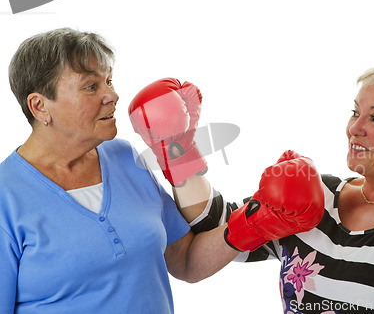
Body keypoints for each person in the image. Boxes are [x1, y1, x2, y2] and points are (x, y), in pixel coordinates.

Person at [0, 28, 325, 314]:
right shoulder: (7, 197)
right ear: (40, 106)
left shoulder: (124, 158)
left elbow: (186, 260)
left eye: (109, 81)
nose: (112, 96)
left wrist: (257, 222)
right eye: (90, 86)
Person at [143, 64, 374, 313]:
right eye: (354, 112)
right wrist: (179, 150)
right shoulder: (320, 196)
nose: (354, 128)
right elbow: (216, 228)